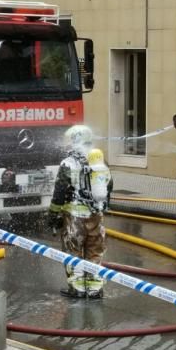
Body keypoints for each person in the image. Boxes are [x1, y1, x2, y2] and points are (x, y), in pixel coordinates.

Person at [49, 125, 112, 299]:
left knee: (73, 251)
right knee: (95, 251)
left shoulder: (67, 164)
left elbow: (59, 192)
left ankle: (77, 288)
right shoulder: (100, 162)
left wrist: (53, 215)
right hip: (96, 217)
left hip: (73, 217)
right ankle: (94, 289)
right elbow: (109, 186)